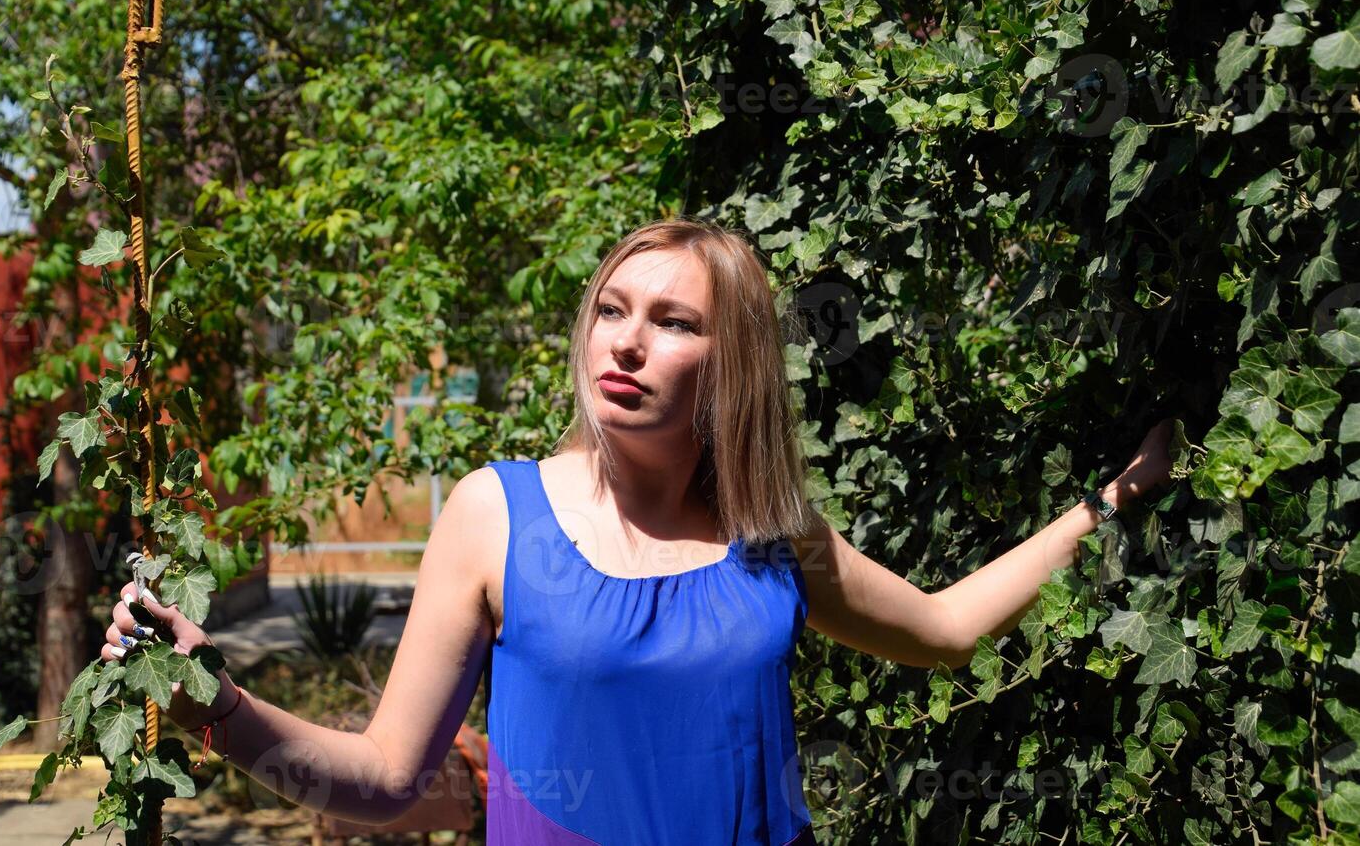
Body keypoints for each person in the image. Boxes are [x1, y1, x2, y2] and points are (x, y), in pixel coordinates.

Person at [101, 216, 1176, 843]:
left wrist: (1110, 500)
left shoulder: (773, 529)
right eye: (612, 311)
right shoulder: (495, 513)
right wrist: (213, 703)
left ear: (733, 360)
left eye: (673, 322)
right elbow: (386, 779)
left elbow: (942, 629)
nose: (625, 343)